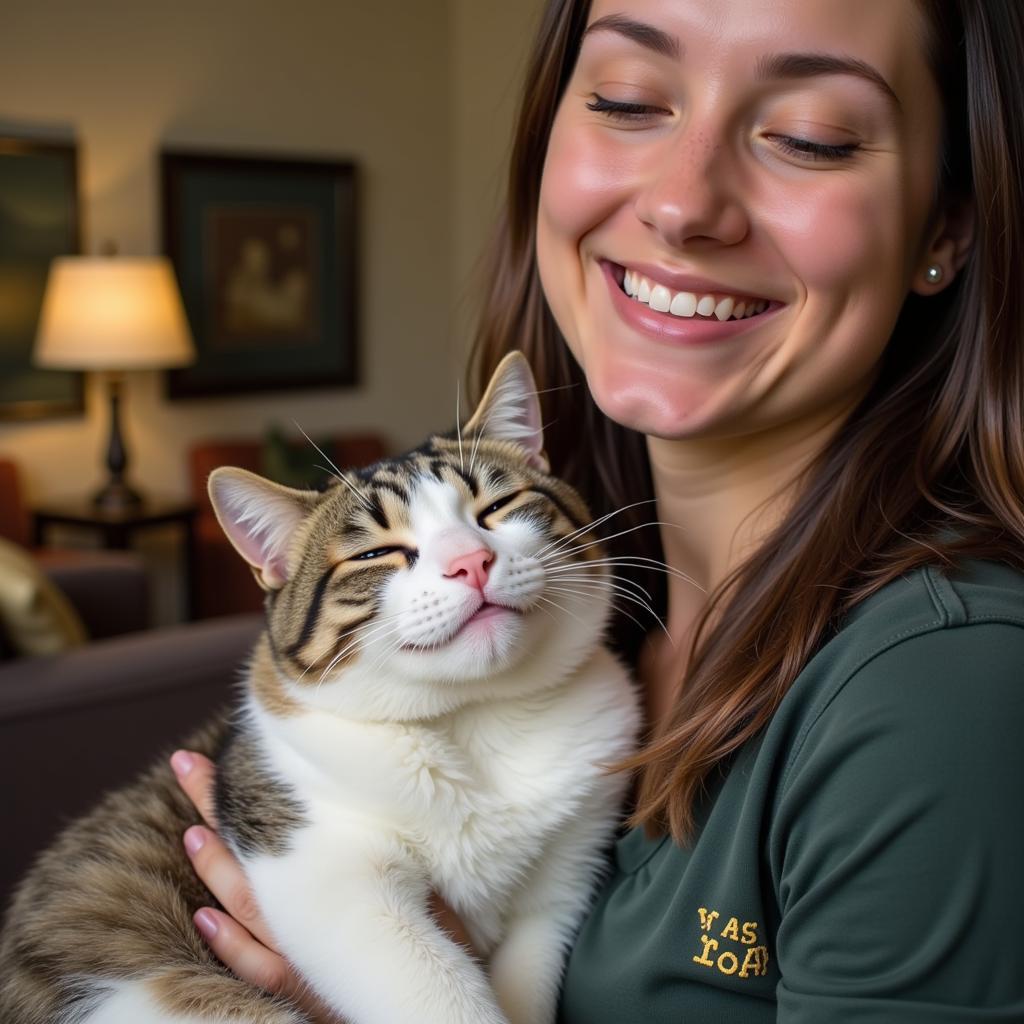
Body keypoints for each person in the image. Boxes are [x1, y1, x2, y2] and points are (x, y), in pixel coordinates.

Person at [170, 0, 1024, 1018]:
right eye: (626, 101)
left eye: (810, 137)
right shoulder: (593, 591)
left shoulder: (940, 688)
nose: (681, 202)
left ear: (944, 228)